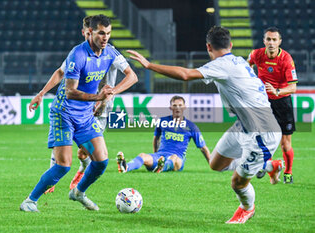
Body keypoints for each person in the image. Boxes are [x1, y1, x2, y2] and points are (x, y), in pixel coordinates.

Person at [127, 26, 282, 224]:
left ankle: (246, 208)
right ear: (231, 45)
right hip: (243, 125)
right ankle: (269, 165)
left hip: (262, 131)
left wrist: (149, 65)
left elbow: (185, 74)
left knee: (237, 183)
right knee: (215, 163)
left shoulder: (222, 65)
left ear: (208, 47)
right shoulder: (238, 61)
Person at [20, 14, 138, 212]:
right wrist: (99, 98)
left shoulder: (110, 52)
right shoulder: (78, 54)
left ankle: (78, 192)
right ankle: (30, 201)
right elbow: (70, 91)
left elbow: (132, 76)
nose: (105, 37)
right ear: (89, 33)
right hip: (64, 114)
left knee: (101, 161)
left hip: (84, 116)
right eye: (101, 33)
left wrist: (111, 92)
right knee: (63, 165)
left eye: (108, 33)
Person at [248, 27, 297, 184]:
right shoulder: (256, 54)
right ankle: (266, 164)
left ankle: (288, 172)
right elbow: (247, 65)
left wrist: (277, 91)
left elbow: (293, 87)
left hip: (282, 102)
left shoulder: (286, 59)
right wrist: (251, 80)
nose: (271, 43)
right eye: (268, 39)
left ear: (279, 42)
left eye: (274, 40)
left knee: (285, 143)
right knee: (261, 136)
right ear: (264, 41)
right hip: (263, 102)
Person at [117, 95, 210, 173]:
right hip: (160, 156)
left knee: (173, 158)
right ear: (170, 108)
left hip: (178, 159)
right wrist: (155, 154)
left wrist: (212, 164)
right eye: (175, 105)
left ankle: (161, 168)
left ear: (184, 107)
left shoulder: (192, 126)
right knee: (142, 156)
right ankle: (126, 167)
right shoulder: (162, 121)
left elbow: (202, 147)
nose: (178, 108)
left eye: (180, 105)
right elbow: (156, 138)